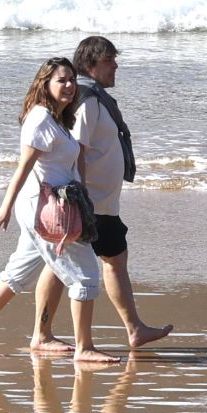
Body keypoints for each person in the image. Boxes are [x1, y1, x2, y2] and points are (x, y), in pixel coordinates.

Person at [0, 59, 119, 364]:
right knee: (85, 277)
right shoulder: (41, 118)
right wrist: (4, 208)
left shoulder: (57, 118)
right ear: (44, 83)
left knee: (17, 273)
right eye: (61, 80)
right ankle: (84, 348)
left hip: (51, 207)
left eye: (72, 79)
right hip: (49, 212)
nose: (69, 86)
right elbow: (24, 167)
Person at [30, 37, 174, 353]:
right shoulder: (87, 100)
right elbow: (74, 148)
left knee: (109, 258)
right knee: (62, 265)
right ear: (92, 64)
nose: (116, 66)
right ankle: (43, 335)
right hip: (90, 203)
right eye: (110, 60)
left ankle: (133, 329)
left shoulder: (92, 97)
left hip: (101, 203)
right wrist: (79, 199)